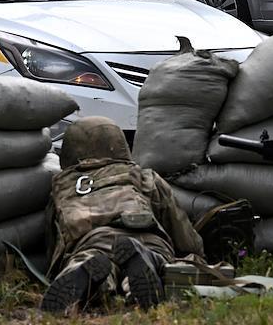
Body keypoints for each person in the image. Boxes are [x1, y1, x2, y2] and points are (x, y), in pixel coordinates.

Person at [40, 116, 204, 313]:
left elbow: (56, 240)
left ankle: (87, 272)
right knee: (160, 262)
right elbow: (183, 234)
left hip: (93, 241)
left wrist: (55, 266)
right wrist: (197, 251)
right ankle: (145, 266)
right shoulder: (144, 176)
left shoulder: (64, 184)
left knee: (92, 262)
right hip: (148, 237)